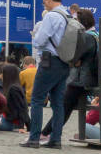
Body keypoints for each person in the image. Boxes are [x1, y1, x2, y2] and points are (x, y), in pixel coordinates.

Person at [21, 0, 72, 150]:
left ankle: (34, 138)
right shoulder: (67, 15)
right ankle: (55, 139)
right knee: (58, 103)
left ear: (49, 0)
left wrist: (34, 37)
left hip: (49, 61)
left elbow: (41, 40)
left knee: (37, 99)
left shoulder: (51, 16)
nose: (44, 4)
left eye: (44, 1)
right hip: (64, 62)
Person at [42, 9, 98, 141]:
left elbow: (73, 57)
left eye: (76, 21)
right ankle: (48, 132)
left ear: (81, 22)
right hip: (84, 78)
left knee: (63, 105)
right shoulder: (94, 34)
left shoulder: (87, 36)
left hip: (81, 80)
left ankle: (46, 133)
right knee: (66, 105)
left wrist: (72, 60)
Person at [0, 63, 31, 132]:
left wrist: (22, 126)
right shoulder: (15, 86)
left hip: (11, 122)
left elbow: (21, 108)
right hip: (9, 119)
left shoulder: (13, 89)